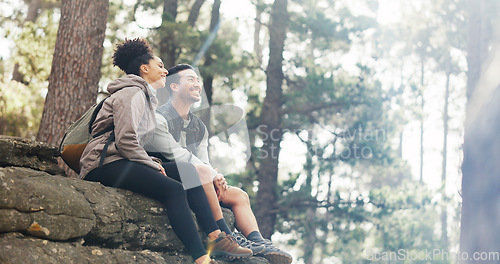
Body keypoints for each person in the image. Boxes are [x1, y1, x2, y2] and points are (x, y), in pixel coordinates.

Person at [79, 39, 251, 264]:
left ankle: (216, 237)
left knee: (189, 172)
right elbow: (126, 141)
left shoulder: (146, 98)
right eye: (159, 66)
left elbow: (134, 145)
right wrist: (152, 164)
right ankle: (201, 258)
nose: (165, 70)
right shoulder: (132, 93)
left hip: (122, 159)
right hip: (104, 163)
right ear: (144, 69)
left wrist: (151, 162)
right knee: (174, 190)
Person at [145, 64, 293, 264]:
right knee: (203, 172)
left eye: (197, 80)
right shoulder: (159, 117)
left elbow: (203, 159)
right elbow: (176, 154)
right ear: (173, 87)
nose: (197, 84)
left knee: (238, 195)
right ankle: (224, 236)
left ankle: (260, 243)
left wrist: (216, 177)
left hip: (197, 177)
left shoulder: (199, 126)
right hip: (167, 175)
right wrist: (210, 174)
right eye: (190, 79)